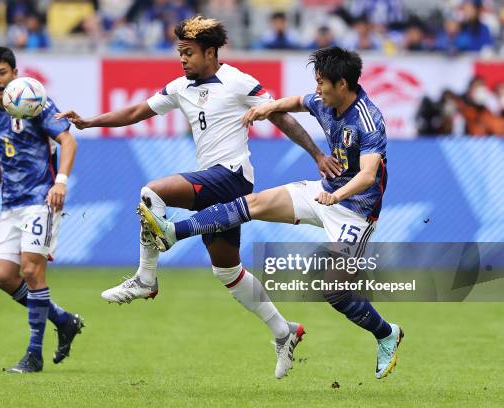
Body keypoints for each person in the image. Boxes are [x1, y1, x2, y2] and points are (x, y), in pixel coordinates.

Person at [56, 16, 340, 379]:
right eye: (180, 53)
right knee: (227, 271)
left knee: (152, 192)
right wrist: (91, 122)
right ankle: (285, 333)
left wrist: (317, 155)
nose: (183, 59)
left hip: (232, 178)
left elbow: (280, 115)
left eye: (189, 53)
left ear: (210, 52)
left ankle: (146, 278)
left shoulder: (238, 81)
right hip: (211, 181)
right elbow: (136, 112)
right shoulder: (180, 87)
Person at [140, 46, 404, 380]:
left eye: (322, 82)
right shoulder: (326, 101)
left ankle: (386, 334)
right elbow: (296, 101)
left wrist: (336, 195)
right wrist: (265, 109)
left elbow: (367, 176)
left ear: (342, 84)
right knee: (255, 204)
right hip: (324, 193)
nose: (317, 88)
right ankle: (173, 232)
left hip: (354, 211)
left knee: (335, 291)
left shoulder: (368, 120)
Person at [0, 46, 84, 373]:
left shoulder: (35, 103)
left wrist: (61, 182)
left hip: (42, 199)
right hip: (10, 205)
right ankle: (63, 320)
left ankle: (34, 355)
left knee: (31, 270)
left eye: (2, 73)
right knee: (2, 276)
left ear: (14, 73)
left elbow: (68, 141)